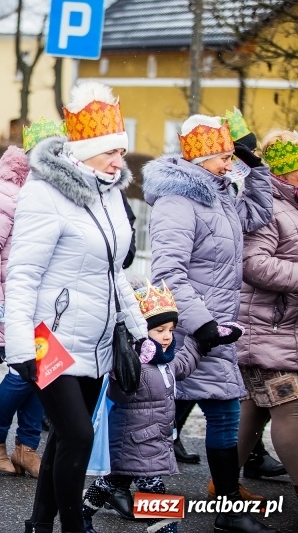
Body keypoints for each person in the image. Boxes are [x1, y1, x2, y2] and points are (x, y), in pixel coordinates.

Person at [3, 82, 148, 533]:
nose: (119, 161)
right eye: (111, 152)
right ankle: (73, 527)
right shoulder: (44, 194)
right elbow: (22, 274)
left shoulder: (110, 193)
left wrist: (137, 326)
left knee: (69, 436)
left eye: (122, 152)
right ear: (84, 150)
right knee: (79, 436)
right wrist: (19, 345)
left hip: (98, 338)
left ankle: (38, 523)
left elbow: (113, 271)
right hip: (50, 339)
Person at [143, 114, 275, 533]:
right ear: (201, 159)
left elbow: (258, 213)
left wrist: (257, 169)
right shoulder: (177, 203)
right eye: (223, 156)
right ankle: (225, 510)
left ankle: (125, 487)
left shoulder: (221, 195)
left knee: (164, 418)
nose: (229, 164)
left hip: (214, 328)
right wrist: (202, 326)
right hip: (190, 332)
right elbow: (167, 273)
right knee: (216, 413)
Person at [81, 281, 239, 533]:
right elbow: (117, 393)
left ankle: (82, 513)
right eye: (159, 330)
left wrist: (204, 340)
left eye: (171, 329)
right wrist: (128, 365)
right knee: (155, 495)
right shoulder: (132, 364)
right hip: (137, 441)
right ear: (141, 332)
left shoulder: (164, 362)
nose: (167, 336)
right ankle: (165, 530)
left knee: (114, 479)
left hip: (152, 440)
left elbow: (184, 364)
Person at [0, 120, 65, 477]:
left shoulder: (60, 190)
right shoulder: (5, 191)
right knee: (22, 372)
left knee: (45, 372)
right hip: (15, 297)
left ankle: (27, 447)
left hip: (51, 299)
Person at [236, 128, 298, 500]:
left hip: (281, 327)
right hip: (266, 327)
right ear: (289, 171)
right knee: (290, 408)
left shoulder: (291, 204)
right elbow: (253, 263)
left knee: (253, 408)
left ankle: (222, 485)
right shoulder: (272, 207)